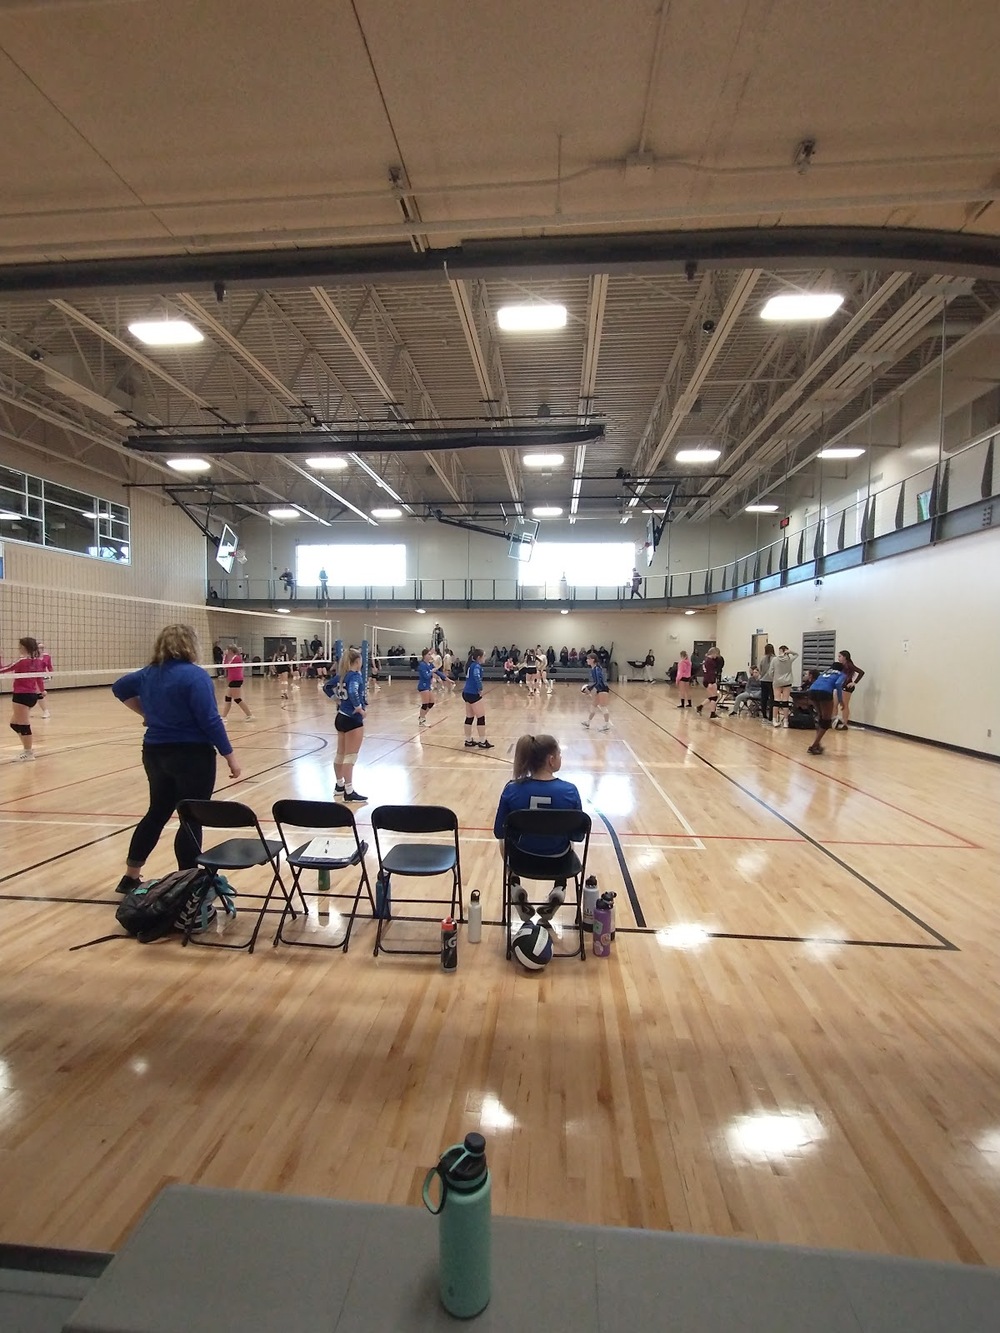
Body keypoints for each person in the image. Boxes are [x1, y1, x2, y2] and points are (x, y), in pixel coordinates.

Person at [111, 624, 240, 894]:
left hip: (155, 752)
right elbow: (210, 720)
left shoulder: (148, 674)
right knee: (191, 817)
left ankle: (130, 876)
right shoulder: (195, 676)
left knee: (157, 812)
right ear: (190, 645)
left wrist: (145, 712)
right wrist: (230, 755)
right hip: (192, 755)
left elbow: (119, 687)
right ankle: (189, 880)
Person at [493, 733, 583, 923]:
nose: (561, 757)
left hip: (522, 859)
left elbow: (499, 832)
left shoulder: (512, 789)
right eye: (559, 754)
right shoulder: (570, 791)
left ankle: (514, 883)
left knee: (504, 841)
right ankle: (559, 887)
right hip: (559, 861)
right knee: (568, 842)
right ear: (551, 760)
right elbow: (578, 835)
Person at [324, 647, 367, 801]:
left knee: (340, 754)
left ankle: (339, 785)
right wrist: (359, 708)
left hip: (340, 717)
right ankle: (349, 792)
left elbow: (327, 686)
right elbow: (354, 691)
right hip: (352, 719)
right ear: (357, 661)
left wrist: (336, 699)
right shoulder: (355, 676)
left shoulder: (342, 675)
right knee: (350, 756)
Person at [1, 636, 47, 761]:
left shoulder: (22, 662)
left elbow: (3, 670)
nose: (19, 648)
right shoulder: (38, 661)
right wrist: (42, 691)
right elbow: (39, 678)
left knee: (24, 725)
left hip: (21, 695)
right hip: (32, 696)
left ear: (24, 647)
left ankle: (28, 753)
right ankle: (28, 748)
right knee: (14, 724)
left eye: (20, 646)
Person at [805, 664, 848, 756]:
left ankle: (817, 744)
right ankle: (814, 745)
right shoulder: (842, 674)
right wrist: (840, 700)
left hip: (812, 691)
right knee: (826, 721)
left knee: (820, 718)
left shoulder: (825, 672)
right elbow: (837, 684)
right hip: (825, 692)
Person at [462, 648, 493, 750]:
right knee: (481, 717)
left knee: (469, 717)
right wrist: (480, 688)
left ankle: (468, 740)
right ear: (479, 657)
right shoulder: (476, 666)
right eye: (484, 656)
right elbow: (476, 677)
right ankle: (483, 741)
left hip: (466, 692)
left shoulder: (470, 665)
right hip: (473, 693)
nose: (485, 658)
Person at [220, 645, 253, 720]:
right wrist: (225, 657)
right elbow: (224, 666)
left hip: (236, 680)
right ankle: (224, 717)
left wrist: (224, 656)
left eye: (227, 650)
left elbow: (225, 666)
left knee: (237, 699)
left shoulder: (236, 658)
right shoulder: (232, 658)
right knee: (228, 697)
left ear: (231, 651)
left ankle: (250, 715)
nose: (226, 651)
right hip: (233, 680)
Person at [835, 650, 866, 730]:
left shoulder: (849, 665)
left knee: (844, 705)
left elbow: (861, 672)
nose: (838, 658)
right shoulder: (841, 665)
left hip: (847, 687)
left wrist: (854, 682)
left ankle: (845, 724)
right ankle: (833, 721)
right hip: (841, 686)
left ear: (845, 657)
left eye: (840, 656)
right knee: (834, 703)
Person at [581, 652, 611, 731]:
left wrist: (589, 688)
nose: (587, 660)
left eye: (588, 659)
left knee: (603, 707)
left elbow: (598, 681)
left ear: (593, 660)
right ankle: (588, 722)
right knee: (593, 706)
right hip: (599, 689)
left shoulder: (597, 669)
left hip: (603, 689)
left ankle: (607, 724)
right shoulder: (594, 668)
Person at [771, 645, 799, 728]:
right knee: (785, 701)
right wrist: (790, 652)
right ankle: (786, 721)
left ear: (780, 650)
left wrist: (774, 677)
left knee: (776, 700)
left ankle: (774, 720)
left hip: (777, 681)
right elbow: (796, 654)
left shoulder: (775, 659)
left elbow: (771, 671)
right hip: (787, 681)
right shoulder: (789, 659)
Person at [417, 647, 445, 726]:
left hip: (428, 686)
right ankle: (422, 720)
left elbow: (438, 672)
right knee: (425, 704)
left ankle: (422, 717)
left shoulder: (430, 664)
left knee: (431, 703)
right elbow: (426, 676)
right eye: (429, 654)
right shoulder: (422, 665)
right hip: (423, 686)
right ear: (424, 656)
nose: (430, 656)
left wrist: (448, 679)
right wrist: (431, 671)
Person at [696, 646, 725, 719]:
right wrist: (710, 683)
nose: (716, 657)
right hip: (709, 680)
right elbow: (710, 673)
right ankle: (712, 713)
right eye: (716, 655)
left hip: (709, 679)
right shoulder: (710, 661)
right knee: (714, 697)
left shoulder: (706, 660)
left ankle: (700, 707)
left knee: (713, 697)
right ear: (713, 653)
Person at [758, 643, 776, 722]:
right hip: (771, 681)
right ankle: (771, 716)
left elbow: (760, 669)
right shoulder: (775, 659)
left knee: (764, 698)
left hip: (763, 680)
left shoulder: (762, 658)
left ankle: (764, 714)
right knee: (772, 698)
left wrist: (762, 676)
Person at [37, 641, 53, 718]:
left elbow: (50, 666)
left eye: (42, 647)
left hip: (43, 676)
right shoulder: (31, 657)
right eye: (40, 647)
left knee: (38, 693)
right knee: (34, 694)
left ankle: (46, 711)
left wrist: (51, 674)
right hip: (33, 677)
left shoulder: (47, 656)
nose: (41, 649)